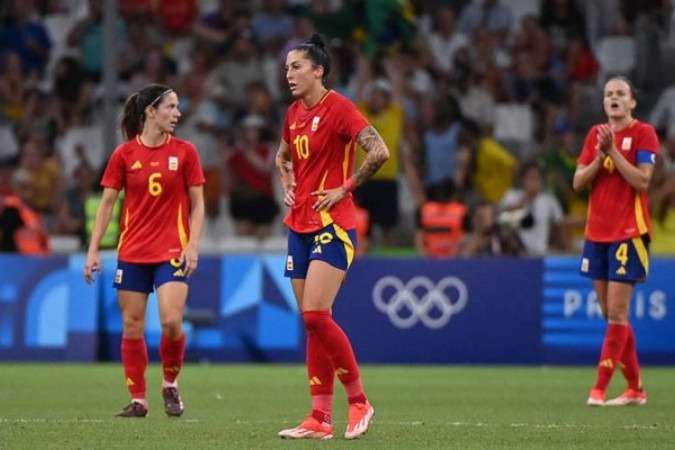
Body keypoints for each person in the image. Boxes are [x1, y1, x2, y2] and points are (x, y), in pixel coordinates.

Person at [275, 34, 389, 440]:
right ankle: (319, 419)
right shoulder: (293, 113)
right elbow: (282, 155)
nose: (288, 73)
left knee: (316, 315)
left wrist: (346, 188)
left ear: (318, 70)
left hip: (333, 224)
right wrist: (288, 181)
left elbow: (379, 151)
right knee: (312, 324)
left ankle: (359, 401)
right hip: (298, 226)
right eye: (287, 67)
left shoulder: (339, 108)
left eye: (296, 66)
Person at [83, 84, 205, 418]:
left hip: (171, 251)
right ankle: (139, 399)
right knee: (132, 326)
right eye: (171, 107)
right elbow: (108, 204)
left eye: (178, 107)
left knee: (170, 321)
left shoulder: (185, 152)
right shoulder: (124, 155)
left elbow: (198, 203)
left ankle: (170, 383)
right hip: (133, 252)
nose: (177, 114)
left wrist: (192, 244)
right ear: (151, 111)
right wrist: (93, 250)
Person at [572, 76, 659, 407]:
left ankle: (599, 388)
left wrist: (614, 154)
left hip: (629, 231)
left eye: (620, 93)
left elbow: (643, 180)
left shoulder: (643, 133)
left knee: (618, 313)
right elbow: (578, 182)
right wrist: (599, 157)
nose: (614, 98)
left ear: (632, 102)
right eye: (609, 94)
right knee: (610, 313)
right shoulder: (595, 134)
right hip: (597, 233)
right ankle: (635, 389)